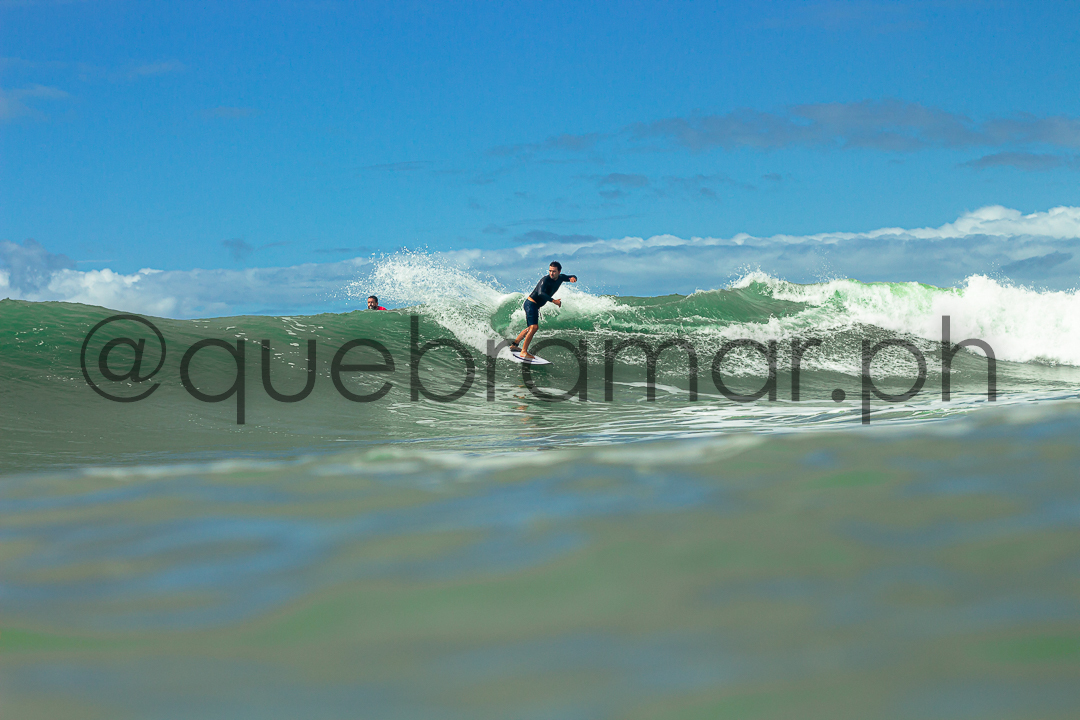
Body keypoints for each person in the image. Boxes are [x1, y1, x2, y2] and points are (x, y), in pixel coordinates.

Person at [511, 261, 577, 359]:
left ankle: (514, 345)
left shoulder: (561, 277)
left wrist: (573, 278)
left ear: (559, 272)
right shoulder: (545, 280)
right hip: (531, 304)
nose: (551, 273)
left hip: (535, 306)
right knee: (534, 327)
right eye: (550, 271)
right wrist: (554, 301)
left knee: (530, 328)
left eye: (554, 271)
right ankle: (523, 352)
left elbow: (571, 276)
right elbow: (540, 293)